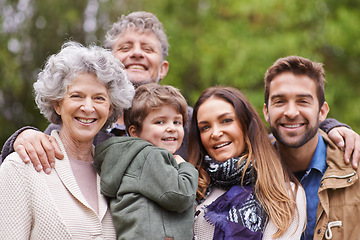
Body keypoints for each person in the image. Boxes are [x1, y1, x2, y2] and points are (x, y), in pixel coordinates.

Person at [0, 12, 358, 172]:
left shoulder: (190, 121)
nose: (137, 52)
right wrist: (20, 136)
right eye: (126, 47)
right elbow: (44, 150)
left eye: (148, 47)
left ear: (163, 68)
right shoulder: (89, 119)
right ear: (110, 61)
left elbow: (260, 141)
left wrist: (329, 128)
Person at [0, 41, 135, 238]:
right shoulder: (20, 167)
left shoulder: (117, 170)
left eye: (99, 98)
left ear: (110, 109)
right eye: (77, 96)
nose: (88, 108)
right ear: (57, 104)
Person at [189, 86, 306, 239]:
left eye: (226, 121)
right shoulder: (192, 188)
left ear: (246, 125)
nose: (215, 133)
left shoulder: (285, 194)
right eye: (205, 127)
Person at [262, 56, 360, 240]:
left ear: (322, 111)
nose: (291, 112)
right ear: (266, 112)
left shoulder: (355, 168)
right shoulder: (247, 173)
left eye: (303, 101)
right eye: (280, 101)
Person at [93, 83, 198, 239]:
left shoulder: (131, 157)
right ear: (134, 132)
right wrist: (186, 166)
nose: (171, 128)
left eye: (177, 122)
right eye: (160, 122)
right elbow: (180, 196)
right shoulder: (149, 156)